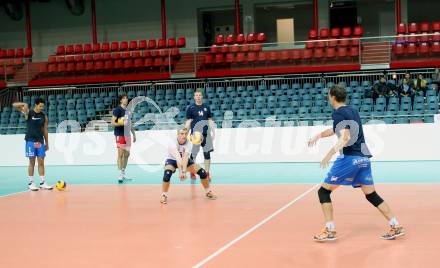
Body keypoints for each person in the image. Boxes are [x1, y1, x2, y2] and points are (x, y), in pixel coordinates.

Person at [307, 85, 404, 242]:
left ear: (332, 96)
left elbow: (344, 137)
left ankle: (330, 230)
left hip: (350, 158)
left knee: (323, 192)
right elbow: (335, 129)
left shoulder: (338, 113)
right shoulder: (352, 111)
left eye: (328, 95)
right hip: (364, 159)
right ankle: (396, 225)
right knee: (371, 195)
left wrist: (329, 154)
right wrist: (318, 135)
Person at [160, 127, 217, 204]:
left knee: (202, 172)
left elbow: (185, 158)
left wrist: (184, 171)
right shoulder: (172, 143)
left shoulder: (189, 143)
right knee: (167, 174)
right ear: (177, 135)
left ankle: (208, 192)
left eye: (186, 134)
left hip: (184, 160)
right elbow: (178, 158)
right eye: (182, 134)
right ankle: (164, 195)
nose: (184, 136)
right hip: (172, 160)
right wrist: (181, 172)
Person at [13, 98, 53, 191]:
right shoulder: (28, 112)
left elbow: (45, 130)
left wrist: (47, 143)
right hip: (30, 141)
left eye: (43, 106)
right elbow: (14, 105)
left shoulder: (44, 116)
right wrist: (24, 104)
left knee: (41, 162)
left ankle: (42, 182)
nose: (42, 107)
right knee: (32, 162)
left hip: (40, 141)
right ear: (36, 105)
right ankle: (31, 183)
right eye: (40, 106)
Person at [185, 89, 215, 181]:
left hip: (206, 134)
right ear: (194, 97)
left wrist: (213, 131)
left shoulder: (206, 107)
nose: (198, 97)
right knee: (193, 155)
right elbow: (188, 121)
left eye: (199, 95)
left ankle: (207, 173)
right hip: (195, 135)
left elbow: (209, 120)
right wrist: (185, 132)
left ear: (202, 96)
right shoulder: (190, 108)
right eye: (196, 95)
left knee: (207, 154)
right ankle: (193, 172)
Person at [111, 94, 136, 183]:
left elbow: (130, 123)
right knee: (120, 155)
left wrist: (134, 133)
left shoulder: (128, 111)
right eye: (124, 98)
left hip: (127, 135)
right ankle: (120, 174)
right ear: (121, 100)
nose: (126, 99)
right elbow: (112, 122)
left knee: (127, 155)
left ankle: (123, 172)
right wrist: (121, 123)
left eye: (126, 98)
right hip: (119, 134)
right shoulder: (117, 110)